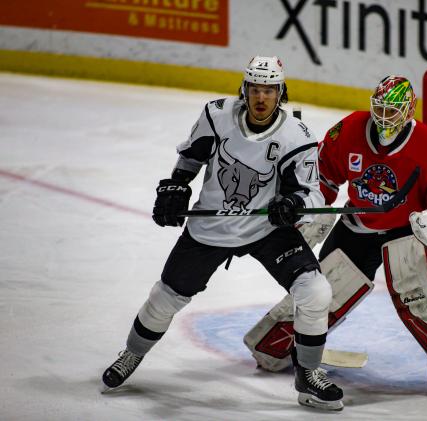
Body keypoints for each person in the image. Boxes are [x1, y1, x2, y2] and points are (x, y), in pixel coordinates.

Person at [101, 56, 344, 411]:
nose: (262, 98)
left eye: (270, 90)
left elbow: (313, 192)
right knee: (165, 297)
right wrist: (176, 184)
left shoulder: (298, 135)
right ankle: (132, 354)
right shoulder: (216, 115)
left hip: (267, 229)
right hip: (211, 228)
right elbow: (191, 157)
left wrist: (292, 203)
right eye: (256, 89)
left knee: (316, 291)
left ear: (281, 93)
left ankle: (308, 374)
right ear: (244, 90)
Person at [244, 75, 427, 394]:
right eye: (379, 108)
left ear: (409, 110)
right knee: (321, 291)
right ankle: (291, 344)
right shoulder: (351, 130)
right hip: (357, 225)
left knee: (421, 297)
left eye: (393, 110)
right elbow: (321, 175)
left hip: (406, 234)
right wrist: (301, 206)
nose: (384, 117)